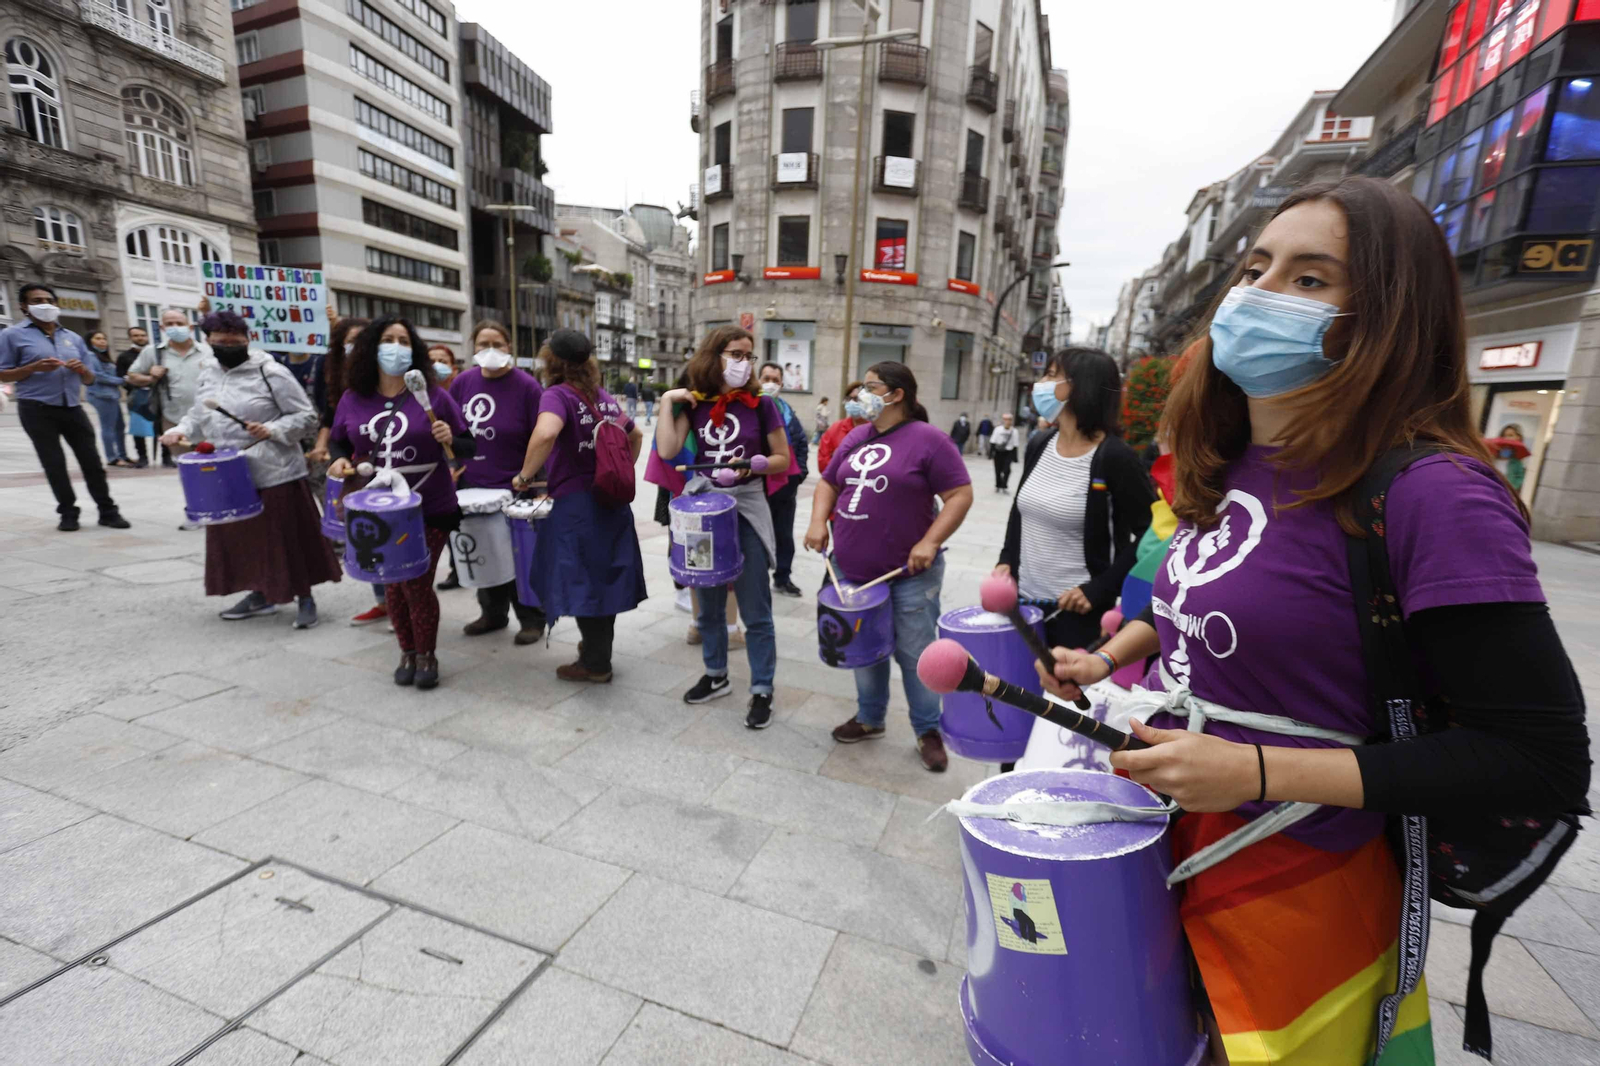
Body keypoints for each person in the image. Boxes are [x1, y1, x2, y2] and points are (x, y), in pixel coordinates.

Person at [1041, 177, 1589, 1064]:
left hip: (1304, 893)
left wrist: (1251, 768)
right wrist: (1109, 666)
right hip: (1176, 855)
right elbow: (1211, 617)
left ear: (1387, 315)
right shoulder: (1237, 466)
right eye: (1255, 268)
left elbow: (1541, 758)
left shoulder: (1436, 495)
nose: (1258, 294)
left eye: (1308, 279)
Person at [805, 362, 972, 771]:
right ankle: (870, 718)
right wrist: (816, 521)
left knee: (916, 655)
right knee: (864, 650)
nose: (860, 393)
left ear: (896, 394)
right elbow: (829, 482)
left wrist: (930, 541)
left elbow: (960, 494)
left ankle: (927, 729)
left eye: (869, 386)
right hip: (850, 570)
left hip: (908, 575)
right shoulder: (856, 437)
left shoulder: (929, 440)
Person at [160, 311, 339, 628]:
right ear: (209, 342)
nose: (228, 346)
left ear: (247, 340)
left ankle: (304, 597)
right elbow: (200, 413)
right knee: (241, 539)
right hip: (227, 472)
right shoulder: (208, 373)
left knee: (285, 538)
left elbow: (306, 416)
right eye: (221, 342)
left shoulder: (271, 372)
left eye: (235, 341)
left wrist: (271, 429)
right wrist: (181, 429)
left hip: (275, 471)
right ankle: (261, 593)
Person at [328, 317, 474, 689]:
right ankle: (406, 651)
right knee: (392, 583)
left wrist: (450, 439)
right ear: (371, 347)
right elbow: (340, 441)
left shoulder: (434, 395)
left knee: (416, 582)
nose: (396, 347)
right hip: (377, 507)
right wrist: (340, 459)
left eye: (404, 340)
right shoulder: (352, 397)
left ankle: (427, 654)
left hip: (429, 504)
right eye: (388, 339)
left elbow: (469, 445)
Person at [657, 326, 790, 728]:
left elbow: (783, 457)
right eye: (735, 353)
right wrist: (667, 400)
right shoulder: (695, 404)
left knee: (755, 607)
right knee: (709, 605)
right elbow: (667, 450)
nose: (743, 363)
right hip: (704, 509)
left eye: (748, 355)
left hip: (745, 507)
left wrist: (759, 464)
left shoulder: (761, 405)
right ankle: (716, 675)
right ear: (713, 355)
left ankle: (762, 688)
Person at [995, 348, 1155, 648]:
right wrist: (1006, 559)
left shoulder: (1116, 458)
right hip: (1023, 605)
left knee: (1064, 695)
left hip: (1077, 614)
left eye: (1052, 375)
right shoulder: (1039, 443)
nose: (1040, 383)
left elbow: (1152, 533)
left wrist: (1099, 589)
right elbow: (1020, 511)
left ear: (1082, 386)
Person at [511, 330, 646, 683]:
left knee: (585, 582)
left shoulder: (557, 395)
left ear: (551, 361)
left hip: (577, 506)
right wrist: (616, 470)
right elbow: (635, 435)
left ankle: (596, 663)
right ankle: (596, 651)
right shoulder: (600, 396)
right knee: (604, 579)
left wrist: (524, 476)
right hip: (610, 502)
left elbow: (545, 434)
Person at [0, 283, 131, 531]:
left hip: (72, 407)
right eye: (37, 300)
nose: (45, 304)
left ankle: (107, 510)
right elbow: (3, 374)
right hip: (36, 409)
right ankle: (68, 513)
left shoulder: (72, 337)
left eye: (49, 300)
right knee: (54, 463)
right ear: (24, 307)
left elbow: (90, 379)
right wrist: (31, 368)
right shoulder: (11, 335)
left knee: (91, 461)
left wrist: (82, 370)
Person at [449, 320, 547, 644]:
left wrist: (538, 483)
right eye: (482, 344)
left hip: (515, 486)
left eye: (497, 344)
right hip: (471, 486)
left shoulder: (527, 387)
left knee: (519, 557)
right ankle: (491, 613)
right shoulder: (463, 383)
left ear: (510, 348)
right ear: (473, 348)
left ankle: (532, 618)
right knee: (483, 551)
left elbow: (543, 436)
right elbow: (451, 431)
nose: (489, 351)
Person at [308, 316, 388, 627]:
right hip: (357, 470)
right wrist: (326, 449)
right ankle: (383, 602)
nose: (360, 346)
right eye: (352, 340)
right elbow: (331, 420)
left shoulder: (389, 375)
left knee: (393, 536)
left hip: (392, 466)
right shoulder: (336, 378)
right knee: (366, 537)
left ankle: (402, 602)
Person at [126, 307, 213, 472]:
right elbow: (132, 376)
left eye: (179, 323)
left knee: (212, 464)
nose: (175, 327)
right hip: (173, 420)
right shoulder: (152, 352)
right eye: (170, 324)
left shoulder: (207, 352)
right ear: (162, 328)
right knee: (187, 467)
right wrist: (150, 377)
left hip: (207, 419)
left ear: (190, 327)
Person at [758, 360, 809, 598]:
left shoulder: (787, 411)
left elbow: (800, 444)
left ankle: (782, 578)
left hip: (785, 487)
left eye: (775, 380)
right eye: (766, 379)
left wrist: (799, 476)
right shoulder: (750, 409)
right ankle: (755, 578)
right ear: (758, 380)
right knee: (755, 536)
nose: (770, 384)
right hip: (757, 487)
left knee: (784, 536)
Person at [84, 330, 134, 468]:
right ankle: (112, 458)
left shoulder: (102, 356)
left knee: (120, 427)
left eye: (104, 338)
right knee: (108, 427)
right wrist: (122, 380)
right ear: (90, 341)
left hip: (112, 396)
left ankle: (122, 455)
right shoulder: (90, 356)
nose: (102, 341)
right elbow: (98, 376)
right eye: (98, 338)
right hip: (101, 396)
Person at [117, 326, 162, 468]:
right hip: (137, 395)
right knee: (139, 428)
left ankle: (166, 456)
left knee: (161, 426)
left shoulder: (156, 353)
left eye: (143, 335)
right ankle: (142, 457)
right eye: (136, 335)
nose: (140, 338)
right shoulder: (124, 356)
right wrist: (137, 385)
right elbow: (121, 377)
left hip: (158, 394)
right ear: (130, 338)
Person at [816, 382, 868, 471]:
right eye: (849, 399)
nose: (853, 403)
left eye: (857, 399)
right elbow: (823, 462)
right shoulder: (836, 428)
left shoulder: (878, 429)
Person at [1491, 422, 1528, 491]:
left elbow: (1519, 478)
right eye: (1504, 435)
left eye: (1510, 435)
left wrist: (1512, 488)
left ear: (1518, 438)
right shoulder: (1492, 457)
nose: (1506, 438)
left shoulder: (1517, 463)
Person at [989, 413, 1020, 492]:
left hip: (1008, 452)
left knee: (1007, 470)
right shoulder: (998, 429)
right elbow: (993, 441)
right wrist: (991, 454)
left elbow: (1015, 444)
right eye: (1006, 420)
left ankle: (1004, 485)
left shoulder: (1014, 431)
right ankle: (998, 485)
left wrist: (1015, 458)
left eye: (1009, 420)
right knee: (998, 470)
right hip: (998, 452)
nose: (1007, 422)